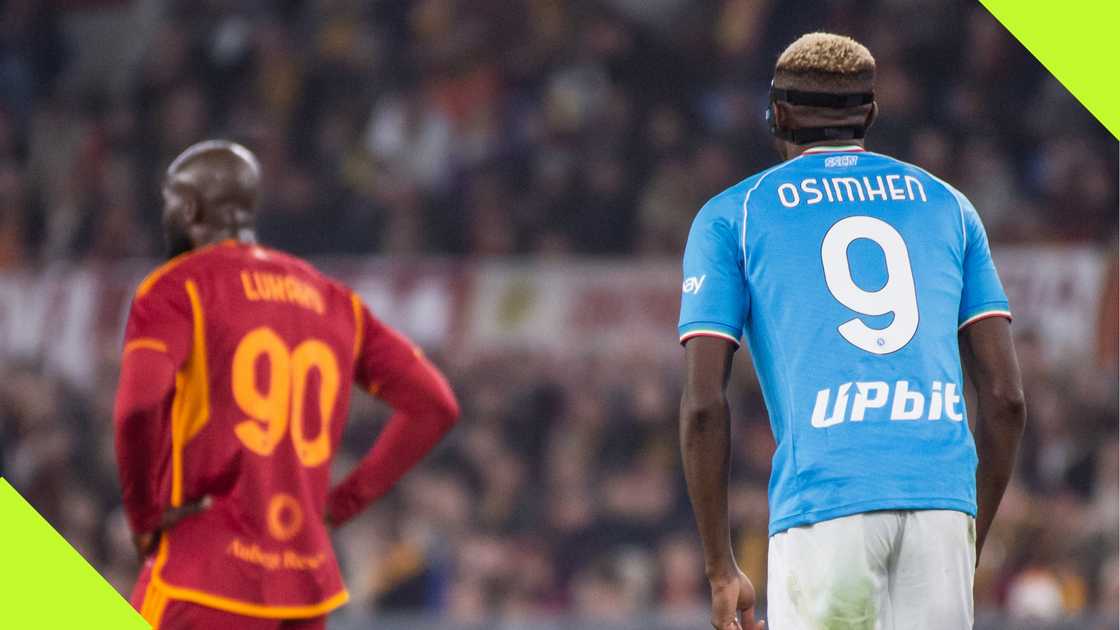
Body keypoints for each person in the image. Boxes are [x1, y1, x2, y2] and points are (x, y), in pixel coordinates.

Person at [677, 33, 1026, 630]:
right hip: (942, 503)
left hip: (824, 502)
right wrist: (965, 537)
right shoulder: (948, 205)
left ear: (777, 115)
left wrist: (719, 567)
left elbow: (705, 404)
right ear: (870, 113)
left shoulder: (733, 215)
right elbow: (1006, 400)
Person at [113, 140, 460, 629]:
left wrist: (145, 519)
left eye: (169, 202)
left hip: (206, 574)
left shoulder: (178, 287)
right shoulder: (334, 300)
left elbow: (136, 409)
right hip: (303, 585)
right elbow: (436, 405)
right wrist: (343, 504)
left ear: (188, 207)